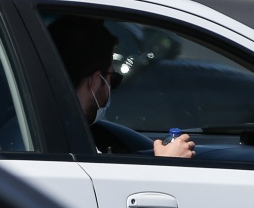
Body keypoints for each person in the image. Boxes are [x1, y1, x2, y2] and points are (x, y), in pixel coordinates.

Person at [46, 16, 194, 158]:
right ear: (95, 81)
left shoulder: (44, 128)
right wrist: (166, 164)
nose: (112, 87)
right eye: (113, 78)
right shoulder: (69, 144)